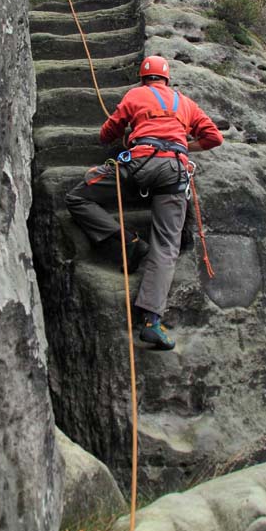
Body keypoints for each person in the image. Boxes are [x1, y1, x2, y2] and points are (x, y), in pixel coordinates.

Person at [65, 55, 223, 350]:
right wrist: (181, 146)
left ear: (142, 77)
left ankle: (129, 244)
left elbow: (105, 135)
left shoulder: (135, 95)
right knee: (166, 246)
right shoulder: (185, 103)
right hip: (174, 172)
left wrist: (132, 134)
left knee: (77, 197)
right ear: (167, 79)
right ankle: (152, 321)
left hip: (138, 166)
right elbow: (214, 138)